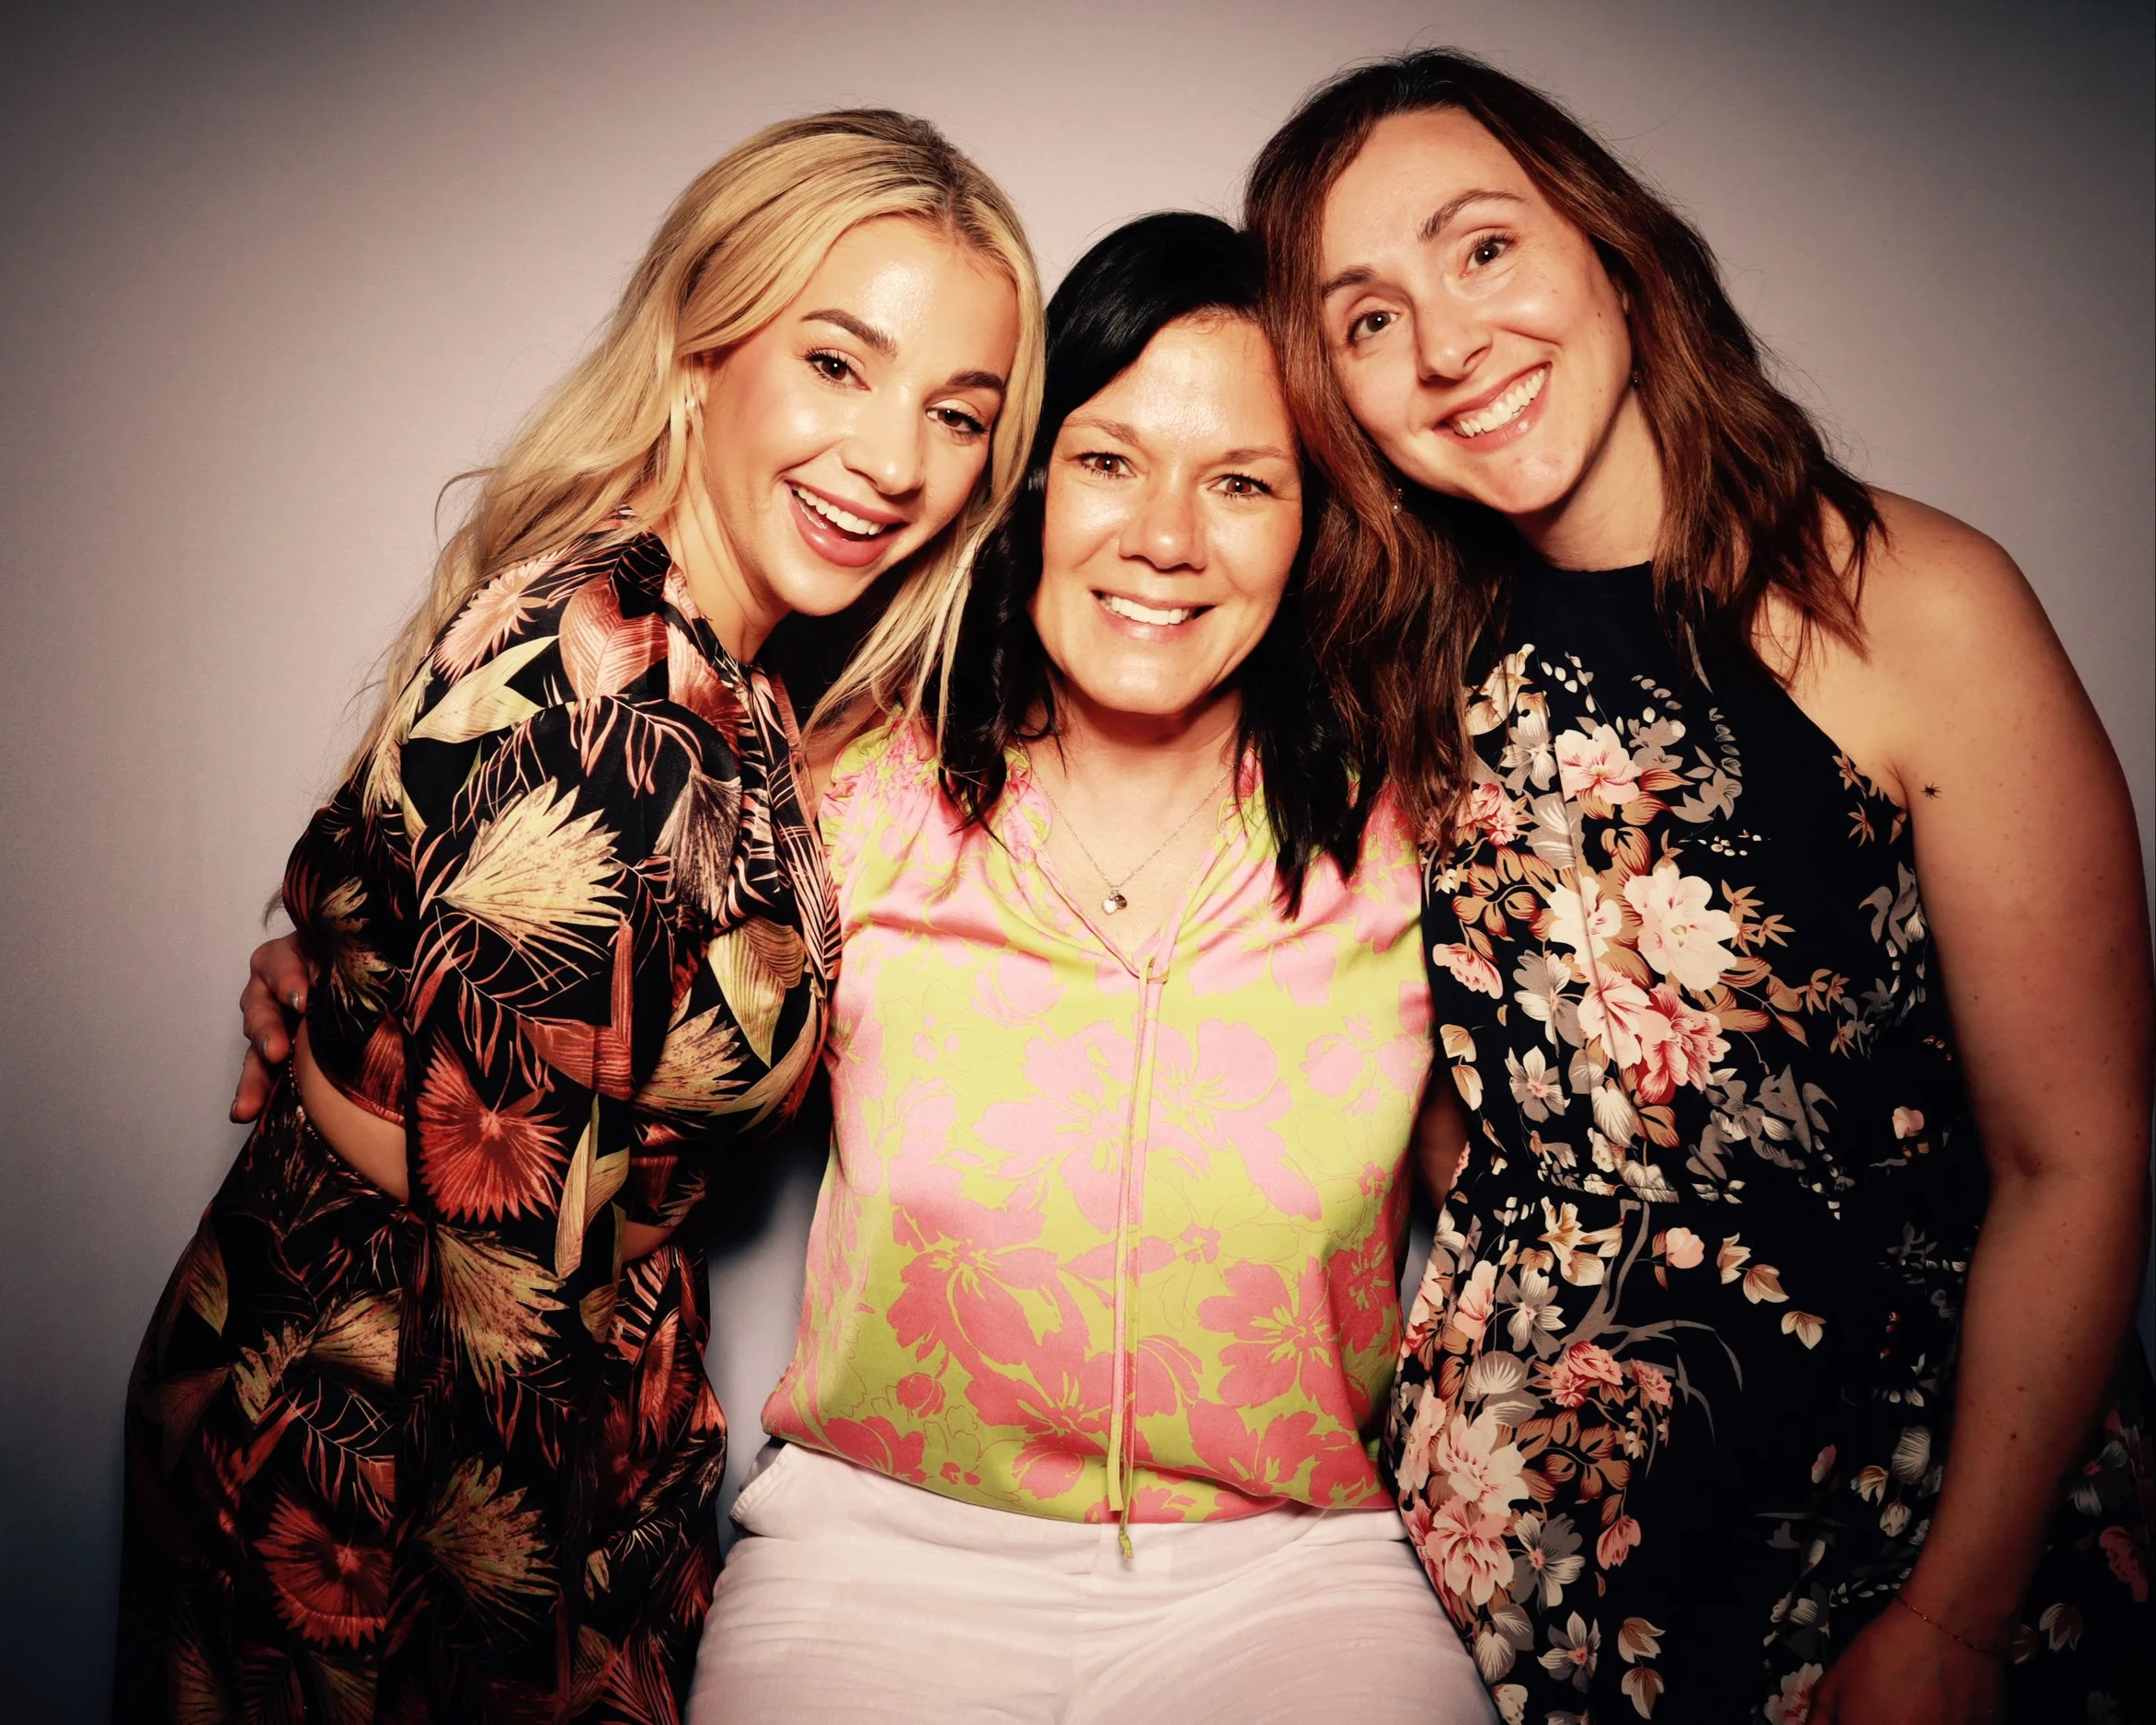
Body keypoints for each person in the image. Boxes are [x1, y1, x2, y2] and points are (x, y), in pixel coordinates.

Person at [244, 213, 1494, 1723]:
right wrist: (350, 987)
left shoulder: (1428, 841)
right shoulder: (838, 792)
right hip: (876, 1552)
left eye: (1241, 482)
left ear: (1314, 528)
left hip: (1294, 1569)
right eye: (1108, 460)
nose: (1169, 534)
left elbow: (1562, 1181)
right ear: (1028, 493)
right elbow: (561, 939)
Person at [1245, 50, 2154, 1725]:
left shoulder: (1918, 605)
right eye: (1366, 318)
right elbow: (1443, 1112)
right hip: (1496, 1582)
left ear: (1611, 245)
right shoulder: (1395, 675)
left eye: (1483, 247)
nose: (1446, 346)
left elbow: (2078, 1154)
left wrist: (1956, 1618)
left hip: (1889, 1551)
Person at [116, 109, 1042, 1723]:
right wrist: (511, 1669)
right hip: (387, 1479)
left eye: (957, 413)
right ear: (705, 341)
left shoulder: (717, 665)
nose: (896, 459)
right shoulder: (603, 692)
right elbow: (501, 1289)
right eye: (840, 363)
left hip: (542, 1451)